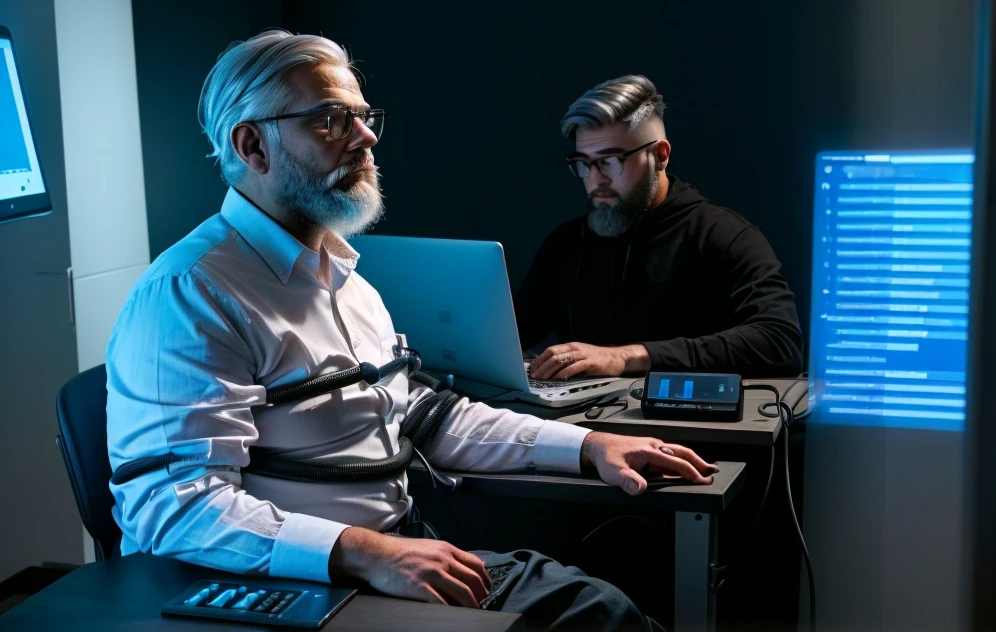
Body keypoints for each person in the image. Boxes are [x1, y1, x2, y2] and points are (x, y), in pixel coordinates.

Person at [105, 31, 718, 630]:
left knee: (600, 609)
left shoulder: (346, 277)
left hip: (386, 558)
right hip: (291, 589)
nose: (367, 137)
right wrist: (362, 551)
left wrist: (587, 447)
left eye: (363, 117)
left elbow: (424, 417)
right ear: (253, 145)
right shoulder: (190, 292)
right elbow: (173, 506)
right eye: (331, 120)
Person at [516, 75, 803, 381]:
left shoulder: (724, 236)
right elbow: (511, 335)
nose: (596, 179)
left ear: (660, 155)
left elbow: (781, 343)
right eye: (584, 163)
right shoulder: (568, 243)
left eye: (610, 160)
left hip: (682, 425)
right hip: (577, 422)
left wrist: (628, 357)